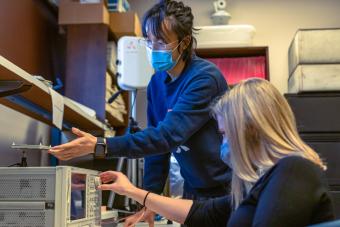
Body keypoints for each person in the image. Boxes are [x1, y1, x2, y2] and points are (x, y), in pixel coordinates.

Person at [49, 0, 231, 224]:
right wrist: (149, 202)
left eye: (162, 42)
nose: (153, 49)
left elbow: (166, 137)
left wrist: (100, 145)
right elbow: (157, 149)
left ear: (184, 43)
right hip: (193, 187)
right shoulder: (156, 83)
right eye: (149, 41)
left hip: (224, 188)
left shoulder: (204, 78)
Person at [97, 78, 335, 227]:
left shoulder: (294, 170)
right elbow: (205, 212)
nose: (222, 142)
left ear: (247, 129)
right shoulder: (260, 182)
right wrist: (132, 191)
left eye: (223, 133)